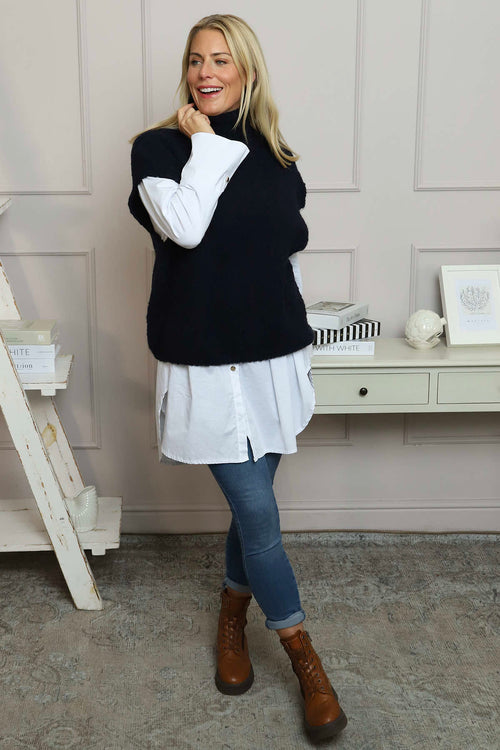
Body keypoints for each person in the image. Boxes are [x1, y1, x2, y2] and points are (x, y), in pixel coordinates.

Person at [128, 13, 347, 742]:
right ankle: (305, 660)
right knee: (259, 516)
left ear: (246, 70)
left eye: (221, 59)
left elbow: (284, 250)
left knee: (252, 518)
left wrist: (297, 342)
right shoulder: (158, 149)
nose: (206, 72)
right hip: (204, 364)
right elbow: (187, 228)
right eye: (196, 60)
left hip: (273, 359)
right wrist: (206, 145)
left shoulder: (276, 154)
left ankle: (231, 612)